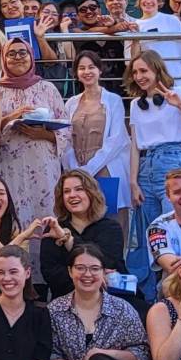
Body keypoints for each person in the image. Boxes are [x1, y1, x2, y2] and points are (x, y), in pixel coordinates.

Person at [125, 51, 181, 295]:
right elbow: (134, 145)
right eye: (136, 72)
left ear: (156, 70)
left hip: (173, 163)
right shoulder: (135, 104)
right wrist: (132, 181)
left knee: (174, 232)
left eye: (144, 71)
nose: (139, 76)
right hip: (146, 168)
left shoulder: (178, 93)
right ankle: (154, 297)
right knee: (153, 236)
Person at [0, 37, 69, 224]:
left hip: (43, 166)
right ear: (3, 58)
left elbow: (66, 127)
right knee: (13, 215)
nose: (18, 57)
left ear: (31, 56)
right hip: (8, 164)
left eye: (23, 52)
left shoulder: (48, 88)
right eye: (11, 54)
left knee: (46, 216)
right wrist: (11, 117)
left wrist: (44, 134)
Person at [63, 49, 133, 229]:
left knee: (113, 222)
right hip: (78, 170)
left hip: (106, 169)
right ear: (76, 73)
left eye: (91, 67)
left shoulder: (113, 100)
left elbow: (116, 140)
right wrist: (75, 169)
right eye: (82, 68)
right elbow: (65, 139)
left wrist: (90, 168)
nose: (87, 72)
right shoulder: (71, 103)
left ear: (100, 70)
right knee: (83, 222)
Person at [39, 171, 128, 301]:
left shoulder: (111, 228)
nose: (72, 195)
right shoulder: (53, 227)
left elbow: (109, 263)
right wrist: (94, 277)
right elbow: (51, 274)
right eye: (66, 191)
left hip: (110, 299)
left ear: (91, 193)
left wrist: (68, 240)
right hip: (66, 300)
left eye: (79, 189)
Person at [128, 0, 181, 87]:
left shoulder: (172, 20)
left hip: (176, 82)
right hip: (149, 85)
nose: (148, 1)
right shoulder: (133, 26)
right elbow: (133, 60)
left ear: (159, 1)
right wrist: (136, 37)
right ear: (139, 1)